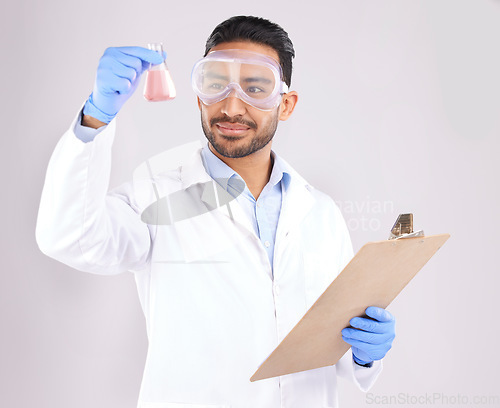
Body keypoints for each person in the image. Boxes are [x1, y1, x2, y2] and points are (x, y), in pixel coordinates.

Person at [36, 15, 396, 408]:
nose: (231, 105)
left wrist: (364, 353)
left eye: (256, 87)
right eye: (215, 86)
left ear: (286, 104)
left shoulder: (321, 214)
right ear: (198, 97)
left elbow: (335, 350)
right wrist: (95, 118)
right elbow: (69, 237)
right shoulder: (156, 197)